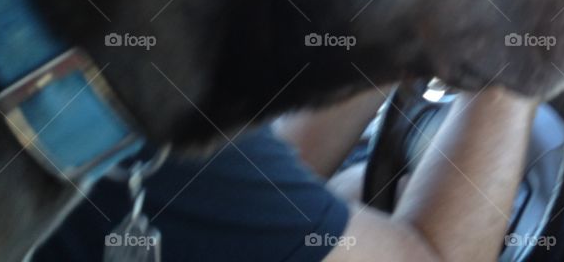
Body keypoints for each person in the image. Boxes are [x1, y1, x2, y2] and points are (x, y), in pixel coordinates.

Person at [33, 85, 538, 262]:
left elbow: (256, 190)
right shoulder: (139, 112)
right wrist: (520, 57)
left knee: (346, 190)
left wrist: (396, 35)